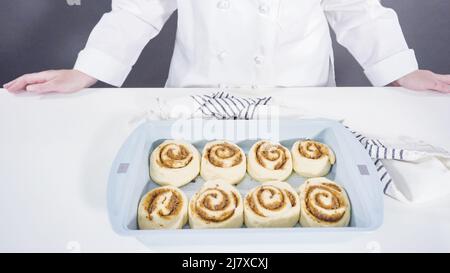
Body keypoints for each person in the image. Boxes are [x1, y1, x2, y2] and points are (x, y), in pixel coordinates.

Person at [4, 0, 450, 94]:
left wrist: (400, 69)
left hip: (301, 96)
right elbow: (137, 10)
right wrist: (87, 70)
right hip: (199, 97)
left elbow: (356, 11)